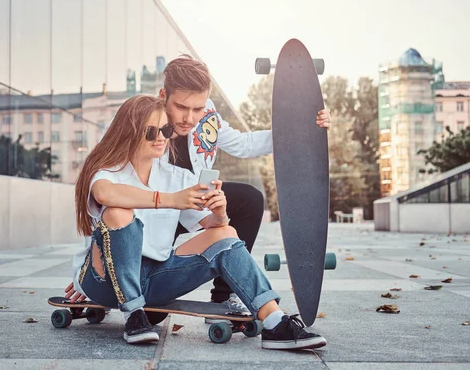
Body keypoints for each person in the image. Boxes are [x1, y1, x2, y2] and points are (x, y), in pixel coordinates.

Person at [65, 94, 326, 350]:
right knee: (118, 212)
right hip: (105, 281)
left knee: (225, 233)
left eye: (165, 130)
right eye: (150, 132)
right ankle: (134, 316)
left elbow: (211, 225)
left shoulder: (177, 176)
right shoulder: (108, 172)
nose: (160, 139)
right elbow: (104, 194)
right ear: (129, 132)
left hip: (153, 280)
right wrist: (171, 200)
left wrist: (220, 212)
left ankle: (274, 321)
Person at [159, 55, 332, 317]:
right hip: (158, 212)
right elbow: (111, 183)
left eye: (198, 108)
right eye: (182, 107)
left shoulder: (208, 113)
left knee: (249, 199)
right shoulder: (143, 120)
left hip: (197, 202)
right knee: (152, 313)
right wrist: (94, 261)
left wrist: (299, 128)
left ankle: (223, 296)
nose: (190, 118)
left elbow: (243, 144)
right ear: (163, 95)